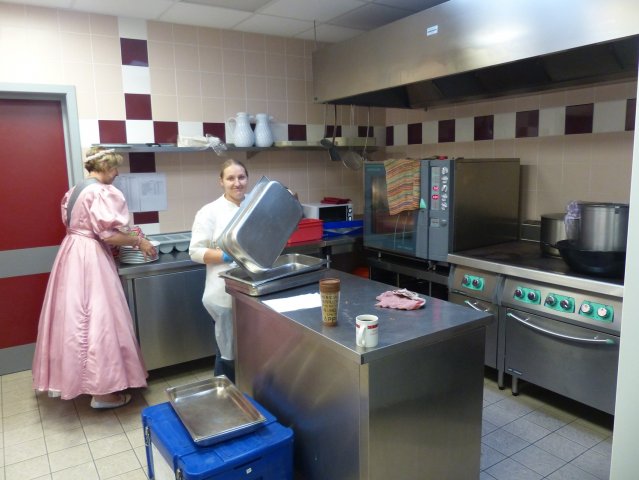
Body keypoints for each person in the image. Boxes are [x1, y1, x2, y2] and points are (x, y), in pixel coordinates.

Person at [32, 147, 156, 409]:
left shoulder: (74, 191)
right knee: (100, 318)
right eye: (115, 167)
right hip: (91, 257)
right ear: (104, 167)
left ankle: (75, 381)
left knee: (74, 318)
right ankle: (103, 393)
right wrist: (140, 241)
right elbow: (108, 235)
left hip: (71, 253)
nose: (117, 173)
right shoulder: (102, 191)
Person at [189, 158, 249, 382]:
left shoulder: (254, 206)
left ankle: (248, 394)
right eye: (230, 178)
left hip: (253, 290)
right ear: (221, 182)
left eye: (241, 177)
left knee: (251, 351)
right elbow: (195, 252)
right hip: (223, 293)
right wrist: (226, 255)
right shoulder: (209, 212)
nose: (237, 183)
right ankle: (224, 395)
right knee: (227, 351)